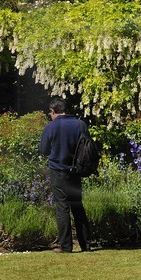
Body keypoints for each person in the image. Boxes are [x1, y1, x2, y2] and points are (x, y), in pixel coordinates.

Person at [39, 97, 91, 253]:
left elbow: (44, 150)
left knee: (62, 208)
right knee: (77, 206)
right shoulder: (80, 125)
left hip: (58, 170)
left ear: (53, 111)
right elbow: (87, 147)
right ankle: (86, 245)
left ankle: (66, 246)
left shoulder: (51, 127)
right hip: (76, 170)